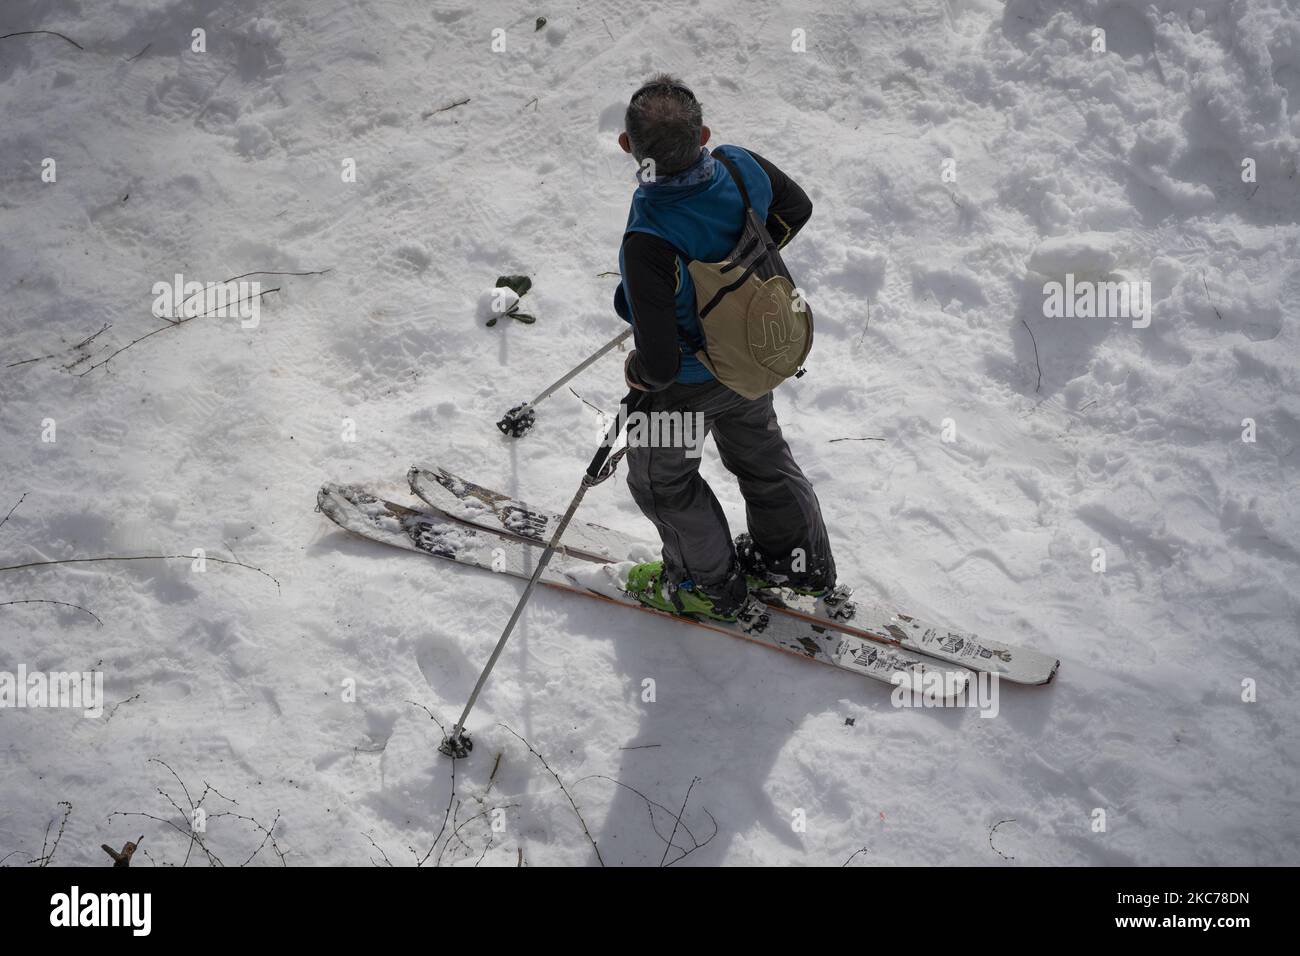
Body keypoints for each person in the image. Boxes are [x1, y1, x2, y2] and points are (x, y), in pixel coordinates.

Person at [613, 74, 836, 622]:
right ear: (706, 133)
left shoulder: (649, 239)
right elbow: (797, 207)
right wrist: (739, 274)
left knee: (661, 481)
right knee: (759, 453)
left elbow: (661, 366)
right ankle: (793, 563)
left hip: (688, 384)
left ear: (628, 148)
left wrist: (639, 366)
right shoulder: (740, 166)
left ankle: (705, 588)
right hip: (751, 357)